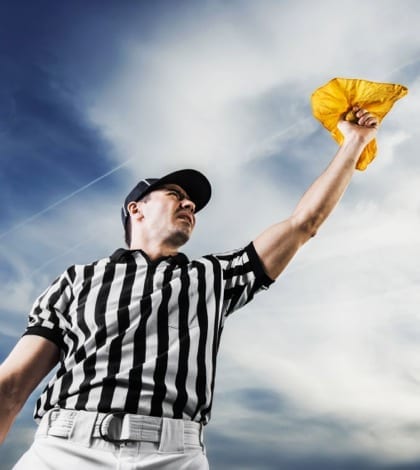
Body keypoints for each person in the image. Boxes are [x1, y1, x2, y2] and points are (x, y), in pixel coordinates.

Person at [0, 107, 378, 469]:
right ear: (137, 209)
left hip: (173, 456)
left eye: (191, 202)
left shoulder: (214, 276)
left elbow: (302, 224)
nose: (189, 203)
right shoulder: (77, 281)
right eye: (175, 195)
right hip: (66, 451)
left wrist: (354, 143)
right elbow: (12, 387)